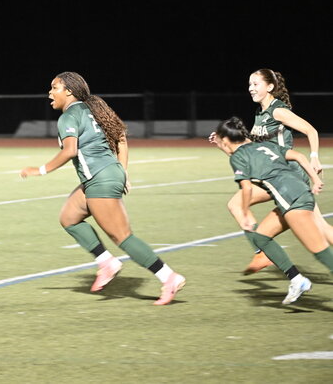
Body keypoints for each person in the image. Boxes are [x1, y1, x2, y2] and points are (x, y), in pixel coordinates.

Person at [20, 71, 186, 305]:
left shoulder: (68, 117)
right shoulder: (94, 109)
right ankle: (106, 262)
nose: (50, 93)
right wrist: (122, 171)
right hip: (104, 175)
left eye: (54, 87)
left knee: (123, 237)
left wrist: (41, 170)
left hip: (100, 178)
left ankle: (168, 277)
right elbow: (121, 138)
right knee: (69, 218)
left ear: (69, 91)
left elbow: (70, 151)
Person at [210, 68, 333, 274]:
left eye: (255, 84)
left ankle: (262, 252)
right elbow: (255, 148)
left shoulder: (277, 111)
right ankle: (262, 251)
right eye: (249, 84)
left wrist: (314, 156)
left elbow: (310, 130)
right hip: (277, 175)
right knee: (320, 227)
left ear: (269, 87)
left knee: (236, 205)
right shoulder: (260, 113)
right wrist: (224, 142)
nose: (251, 88)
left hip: (287, 174)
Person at [214, 116, 333, 303]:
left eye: (221, 141)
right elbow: (299, 156)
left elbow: (246, 188)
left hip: (292, 200)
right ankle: (297, 280)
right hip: (297, 191)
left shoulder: (238, 157)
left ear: (227, 140)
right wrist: (315, 179)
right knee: (261, 237)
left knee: (321, 253)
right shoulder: (263, 146)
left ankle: (300, 280)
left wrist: (244, 213)